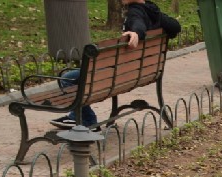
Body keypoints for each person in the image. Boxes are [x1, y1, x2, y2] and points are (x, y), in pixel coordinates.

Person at [51, 0, 181, 129]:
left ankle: (86, 119)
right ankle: (76, 117)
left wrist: (136, 33)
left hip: (115, 75)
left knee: (67, 78)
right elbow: (175, 26)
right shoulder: (152, 10)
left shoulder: (135, 12)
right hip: (138, 72)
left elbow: (138, 23)